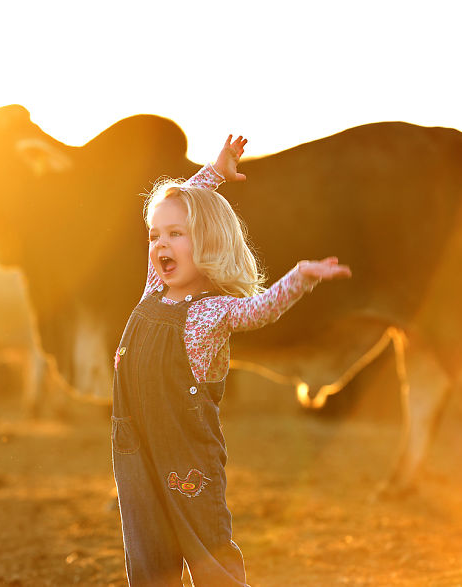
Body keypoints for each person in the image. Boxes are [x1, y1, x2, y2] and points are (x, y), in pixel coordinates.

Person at [111, 135, 351, 586]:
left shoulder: (213, 311)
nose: (161, 244)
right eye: (155, 235)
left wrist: (300, 277)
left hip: (187, 456)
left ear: (208, 244)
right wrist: (215, 173)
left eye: (176, 235)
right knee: (148, 557)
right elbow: (183, 203)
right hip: (133, 448)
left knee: (209, 553)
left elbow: (261, 309)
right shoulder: (154, 289)